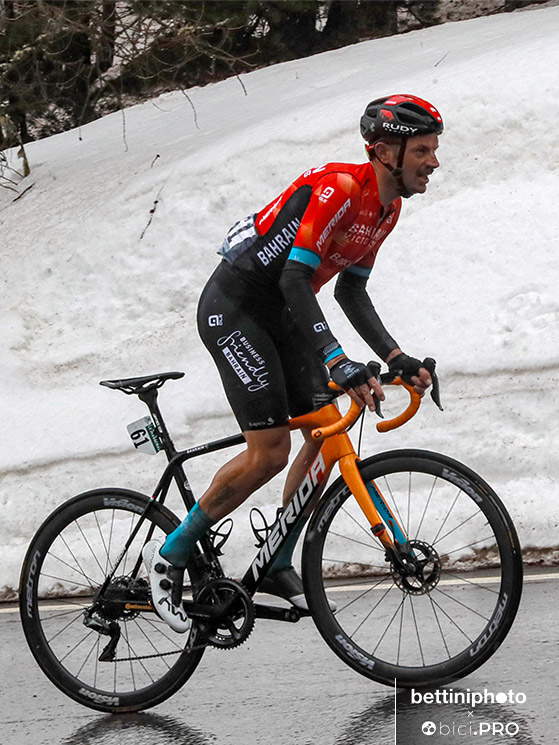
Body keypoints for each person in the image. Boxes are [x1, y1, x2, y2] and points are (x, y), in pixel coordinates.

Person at [143, 94, 443, 632]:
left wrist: (395, 357)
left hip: (283, 312)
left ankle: (278, 557)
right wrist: (337, 358)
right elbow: (291, 278)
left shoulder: (386, 208)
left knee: (327, 429)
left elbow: (351, 293)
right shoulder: (341, 189)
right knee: (270, 452)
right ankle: (171, 553)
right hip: (235, 310)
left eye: (433, 150)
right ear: (385, 151)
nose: (434, 162)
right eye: (422, 150)